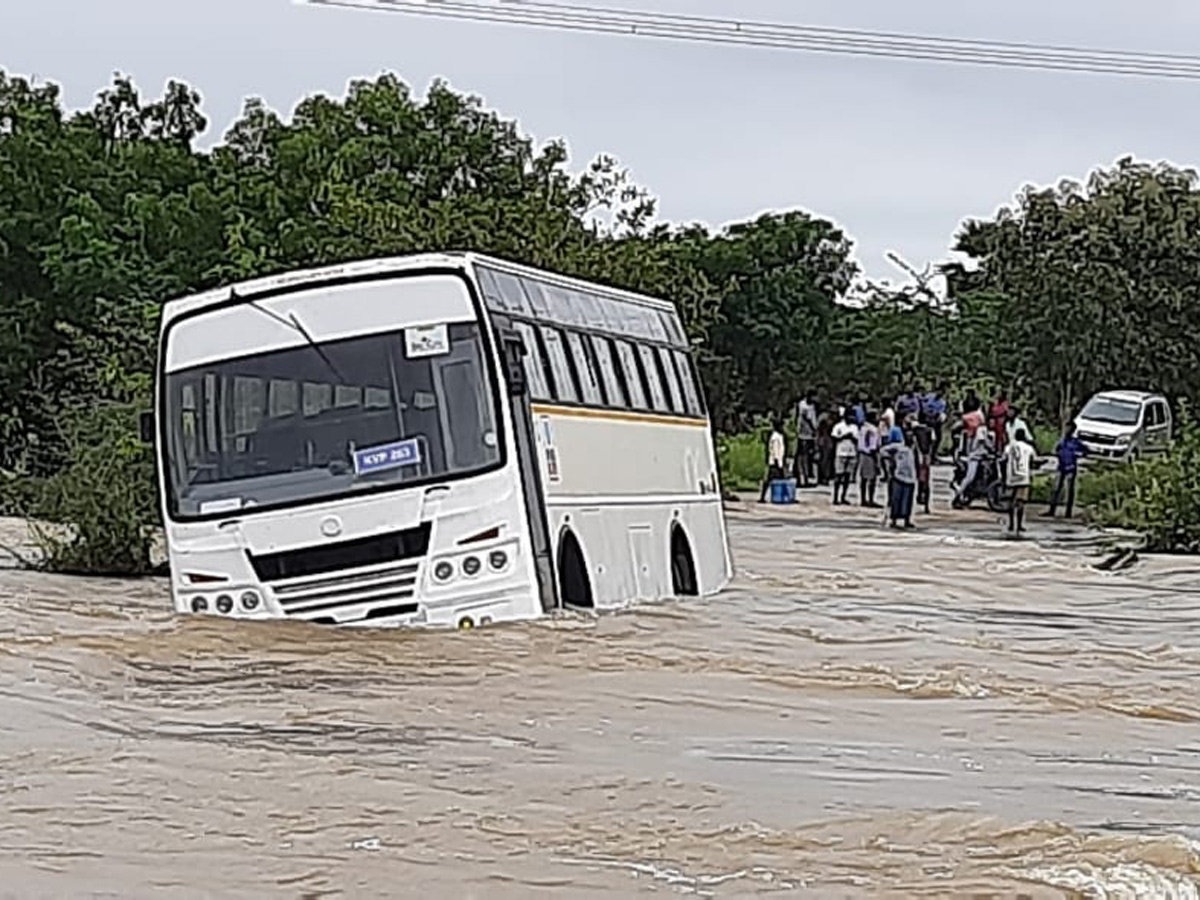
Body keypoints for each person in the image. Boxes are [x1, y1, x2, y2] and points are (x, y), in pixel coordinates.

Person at [1048, 422, 1087, 518]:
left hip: (1071, 467)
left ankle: (1068, 512)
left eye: (1069, 428)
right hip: (1061, 466)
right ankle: (1052, 510)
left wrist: (1078, 454)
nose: (1067, 430)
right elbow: (1054, 450)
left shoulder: (1076, 442)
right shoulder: (1062, 441)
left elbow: (1085, 451)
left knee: (1069, 491)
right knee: (1056, 489)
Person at [954, 424, 995, 507]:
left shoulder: (989, 432)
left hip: (982, 459)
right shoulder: (981, 431)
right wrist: (991, 447)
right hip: (974, 458)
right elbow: (984, 442)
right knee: (970, 478)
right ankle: (957, 496)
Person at [1004, 427, 1036, 534]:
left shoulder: (1009, 447)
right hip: (1024, 478)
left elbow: (1004, 459)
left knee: (1010, 502)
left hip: (1011, 478)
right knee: (1021, 502)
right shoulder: (1029, 448)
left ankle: (1011, 524)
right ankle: (1019, 525)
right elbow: (1033, 460)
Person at [883, 430, 918, 528]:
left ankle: (907, 519)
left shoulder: (913, 449)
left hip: (911, 477)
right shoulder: (898, 447)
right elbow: (883, 450)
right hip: (899, 476)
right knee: (896, 499)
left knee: (908, 500)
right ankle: (893, 520)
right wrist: (891, 459)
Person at [831, 410, 860, 505]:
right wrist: (844, 436)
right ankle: (835, 497)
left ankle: (843, 496)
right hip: (841, 453)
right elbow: (834, 438)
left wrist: (852, 437)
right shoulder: (838, 426)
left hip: (851, 453)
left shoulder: (854, 427)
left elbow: (857, 439)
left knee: (847, 477)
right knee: (838, 476)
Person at [759, 418, 787, 503]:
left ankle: (782, 496)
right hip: (775, 462)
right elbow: (775, 450)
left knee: (775, 479)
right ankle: (782, 496)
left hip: (777, 461)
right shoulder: (776, 437)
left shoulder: (778, 436)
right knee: (774, 479)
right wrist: (778, 462)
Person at [857, 411, 882, 507]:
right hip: (870, 454)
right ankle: (870, 499)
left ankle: (863, 499)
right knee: (871, 478)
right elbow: (872, 444)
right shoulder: (871, 429)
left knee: (864, 478)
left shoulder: (863, 428)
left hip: (863, 453)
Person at [795, 390, 819, 487]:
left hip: (810, 435)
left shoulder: (812, 406)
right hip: (804, 434)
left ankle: (807, 477)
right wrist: (813, 429)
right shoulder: (802, 405)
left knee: (810, 457)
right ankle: (802, 478)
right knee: (803, 457)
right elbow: (807, 419)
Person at [912, 417, 934, 514]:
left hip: (917, 456)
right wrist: (929, 455)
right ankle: (926, 505)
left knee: (916, 480)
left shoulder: (915, 430)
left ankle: (918, 499)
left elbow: (914, 443)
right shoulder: (930, 430)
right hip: (925, 456)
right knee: (925, 481)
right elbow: (932, 443)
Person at [816, 412, 835, 486]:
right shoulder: (825, 424)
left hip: (825, 443)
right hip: (825, 443)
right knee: (825, 462)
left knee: (825, 462)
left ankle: (823, 478)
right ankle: (824, 478)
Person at [989, 390, 1011, 455]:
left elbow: (1005, 411)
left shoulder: (1005, 403)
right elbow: (992, 411)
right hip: (995, 422)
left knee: (1001, 437)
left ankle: (1001, 450)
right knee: (995, 436)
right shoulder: (995, 403)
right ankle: (995, 449)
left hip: (1001, 421)